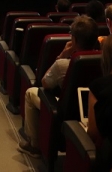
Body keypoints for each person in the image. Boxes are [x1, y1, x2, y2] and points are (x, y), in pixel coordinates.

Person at [18, 16, 100, 157]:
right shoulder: (105, 59)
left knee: (31, 93)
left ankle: (34, 145)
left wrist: (62, 55)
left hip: (65, 113)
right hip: (94, 113)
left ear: (73, 40)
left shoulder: (63, 64)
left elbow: (45, 83)